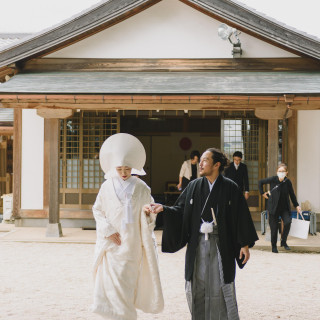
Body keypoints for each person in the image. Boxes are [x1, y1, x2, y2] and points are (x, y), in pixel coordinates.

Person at [145, 148, 258, 320]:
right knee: (197, 284)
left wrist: (244, 244)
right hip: (197, 245)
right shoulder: (194, 186)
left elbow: (240, 216)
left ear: (217, 165)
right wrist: (164, 209)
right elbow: (180, 210)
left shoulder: (230, 187)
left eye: (205, 160)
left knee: (221, 283)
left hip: (221, 245)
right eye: (201, 160)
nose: (201, 164)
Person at [91, 133, 164, 320]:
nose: (123, 172)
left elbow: (149, 216)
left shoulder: (142, 188)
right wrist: (108, 231)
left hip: (132, 244)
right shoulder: (106, 187)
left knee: (128, 284)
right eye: (119, 168)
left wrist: (148, 213)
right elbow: (98, 210)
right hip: (113, 243)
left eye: (127, 168)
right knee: (110, 285)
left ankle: (127, 315)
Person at [258, 163, 301, 253]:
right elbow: (260, 182)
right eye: (279, 171)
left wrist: (297, 205)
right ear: (277, 172)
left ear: (286, 172)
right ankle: (274, 246)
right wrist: (262, 193)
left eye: (283, 171)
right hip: (273, 207)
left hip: (284, 207)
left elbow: (292, 195)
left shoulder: (288, 182)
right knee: (274, 228)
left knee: (288, 222)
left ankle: (283, 241)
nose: (281, 173)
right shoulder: (273, 179)